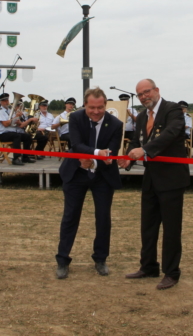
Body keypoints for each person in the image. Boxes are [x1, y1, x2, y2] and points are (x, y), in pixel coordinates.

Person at [119, 79, 189, 291]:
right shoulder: (141, 116)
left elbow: (170, 134)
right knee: (147, 226)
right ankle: (148, 266)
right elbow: (135, 142)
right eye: (139, 94)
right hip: (150, 177)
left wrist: (145, 150)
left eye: (146, 92)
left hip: (172, 179)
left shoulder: (173, 109)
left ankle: (171, 272)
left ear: (157, 90)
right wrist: (128, 158)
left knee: (171, 228)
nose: (143, 97)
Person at [55, 87, 123, 279]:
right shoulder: (75, 118)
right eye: (91, 107)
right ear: (84, 104)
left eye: (100, 107)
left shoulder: (116, 124)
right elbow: (76, 145)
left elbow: (112, 151)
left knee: (103, 219)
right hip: (76, 174)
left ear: (105, 105)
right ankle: (62, 259)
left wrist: (93, 161)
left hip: (103, 176)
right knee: (70, 217)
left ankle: (100, 259)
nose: (95, 111)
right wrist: (93, 155)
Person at [0, 93, 34, 166]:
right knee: (16, 136)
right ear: (0, 102)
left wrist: (19, 120)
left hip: (11, 132)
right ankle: (16, 158)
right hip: (2, 133)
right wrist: (16, 116)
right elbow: (5, 124)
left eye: (7, 100)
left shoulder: (10, 110)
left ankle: (25, 157)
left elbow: (14, 121)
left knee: (27, 136)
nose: (6, 102)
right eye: (4, 101)